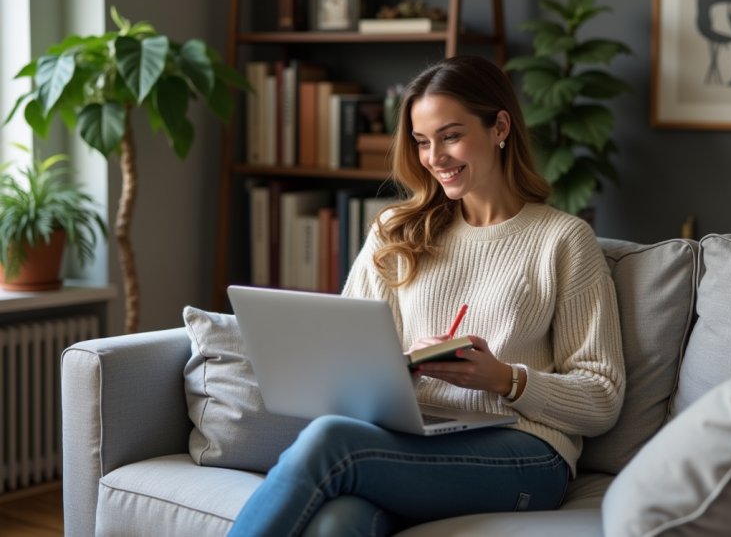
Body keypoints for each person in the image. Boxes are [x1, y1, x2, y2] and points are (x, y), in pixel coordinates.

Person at [228, 54, 625, 537]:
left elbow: (602, 399)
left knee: (328, 441)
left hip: (525, 454)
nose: (434, 158)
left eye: (451, 136)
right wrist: (396, 372)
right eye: (421, 142)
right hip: (415, 439)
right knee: (336, 524)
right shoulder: (395, 233)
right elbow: (349, 363)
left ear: (500, 126)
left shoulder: (562, 240)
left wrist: (506, 379)